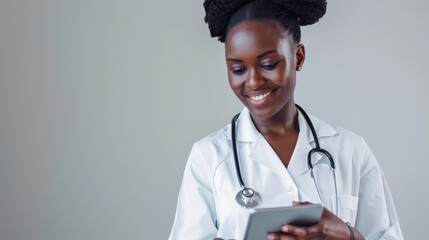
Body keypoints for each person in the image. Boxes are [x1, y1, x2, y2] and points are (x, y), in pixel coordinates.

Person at [169, 0, 404, 239]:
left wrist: (349, 236)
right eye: (238, 70)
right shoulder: (208, 156)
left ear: (298, 57)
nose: (253, 82)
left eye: (269, 65)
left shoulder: (350, 150)